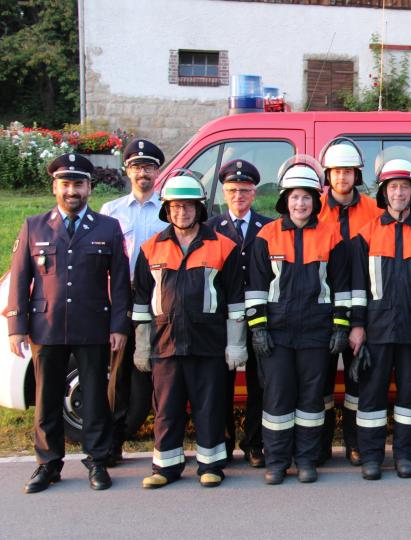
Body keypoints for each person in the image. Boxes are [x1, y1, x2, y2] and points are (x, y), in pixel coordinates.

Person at [6, 153, 130, 493]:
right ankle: (48, 464)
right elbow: (20, 277)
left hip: (93, 325)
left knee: (94, 397)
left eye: (78, 184)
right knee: (47, 398)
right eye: (65, 184)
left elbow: (119, 282)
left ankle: (97, 460)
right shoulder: (35, 225)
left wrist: (119, 326)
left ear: (89, 187)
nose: (72, 191)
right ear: (54, 187)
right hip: (45, 325)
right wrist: (16, 326)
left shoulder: (107, 227)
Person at [132, 171, 246, 489]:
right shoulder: (150, 248)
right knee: (167, 407)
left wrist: (236, 344)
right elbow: (141, 301)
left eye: (188, 206)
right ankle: (165, 467)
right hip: (164, 342)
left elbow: (235, 301)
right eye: (176, 207)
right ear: (167, 210)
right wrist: (142, 346)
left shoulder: (224, 247)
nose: (182, 212)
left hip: (208, 342)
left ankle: (211, 465)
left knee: (209, 405)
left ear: (200, 209)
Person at [245, 156, 351, 483]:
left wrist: (341, 327)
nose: (300, 203)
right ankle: (277, 461)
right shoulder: (267, 235)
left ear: (314, 201)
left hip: (317, 335)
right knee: (277, 400)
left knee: (310, 401)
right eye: (294, 197)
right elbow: (256, 288)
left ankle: (306, 460)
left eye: (306, 197)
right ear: (284, 200)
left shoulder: (332, 236)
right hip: (276, 334)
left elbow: (342, 288)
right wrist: (258, 328)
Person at [349, 158, 411, 480]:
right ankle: (372, 458)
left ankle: (406, 456)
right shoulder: (365, 235)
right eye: (393, 187)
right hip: (376, 330)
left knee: (410, 396)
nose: (399, 193)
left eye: (405, 187)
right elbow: (358, 287)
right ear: (384, 194)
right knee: (372, 397)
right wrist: (358, 326)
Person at [100, 139, 167, 466]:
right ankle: (112, 443)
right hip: (121, 298)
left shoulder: (169, 211)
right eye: (137, 167)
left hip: (157, 298)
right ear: (127, 171)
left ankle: (161, 441)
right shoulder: (110, 213)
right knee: (118, 377)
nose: (144, 173)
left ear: (158, 171)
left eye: (150, 167)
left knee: (154, 375)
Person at [316, 137, 380, 466]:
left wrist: (361, 320)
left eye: (348, 172)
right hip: (322, 309)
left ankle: (355, 444)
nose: (342, 178)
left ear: (357, 175)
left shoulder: (374, 211)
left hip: (360, 309)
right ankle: (323, 446)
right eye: (336, 172)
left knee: (358, 381)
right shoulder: (313, 206)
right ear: (328, 175)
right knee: (321, 381)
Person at [206, 159, 272, 468]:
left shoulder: (268, 227)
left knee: (259, 384)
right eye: (232, 190)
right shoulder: (210, 228)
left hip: (260, 316)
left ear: (254, 193)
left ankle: (254, 443)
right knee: (222, 383)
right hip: (223, 318)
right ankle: (224, 441)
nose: (238, 196)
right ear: (224, 191)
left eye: (244, 190)